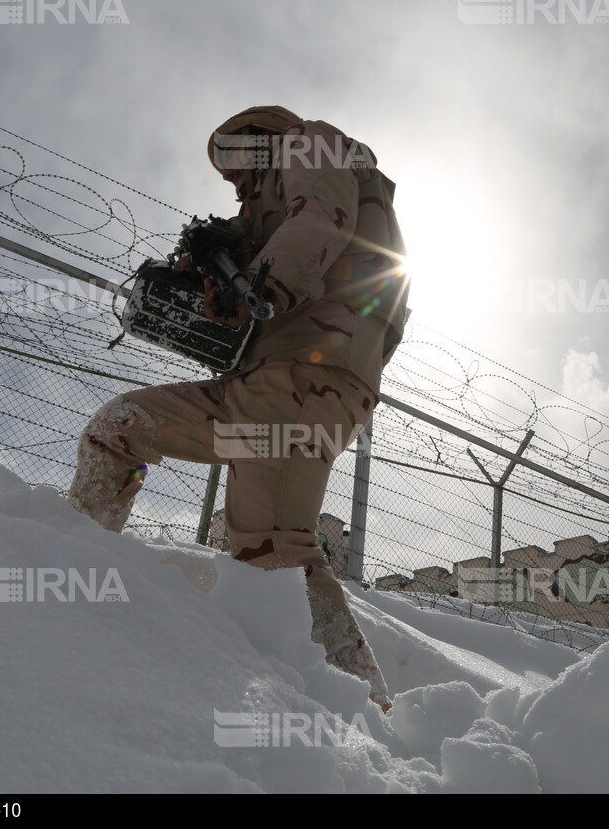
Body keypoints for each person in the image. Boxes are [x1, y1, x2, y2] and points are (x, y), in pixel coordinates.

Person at [67, 105, 410, 710]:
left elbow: (319, 222)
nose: (232, 178)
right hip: (264, 382)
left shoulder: (313, 145)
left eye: (234, 159)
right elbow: (281, 246)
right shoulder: (268, 210)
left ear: (264, 137)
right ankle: (67, 563)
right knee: (116, 429)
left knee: (272, 552)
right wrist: (210, 261)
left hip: (303, 379)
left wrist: (261, 283)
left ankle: (364, 715)